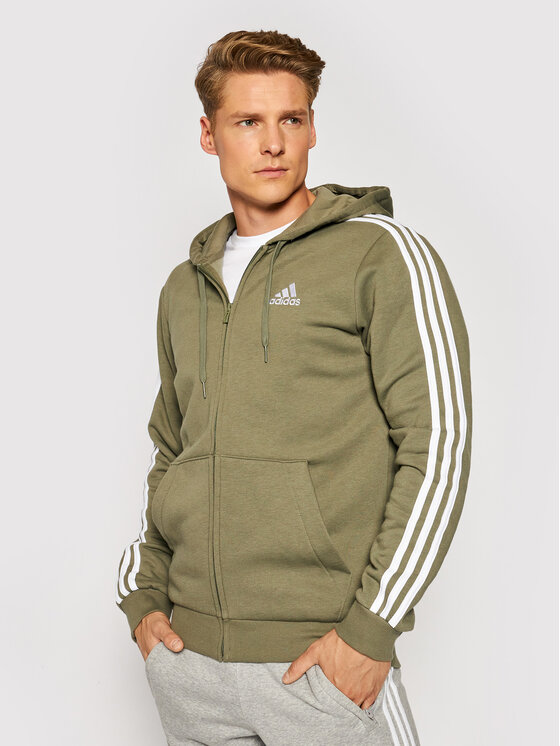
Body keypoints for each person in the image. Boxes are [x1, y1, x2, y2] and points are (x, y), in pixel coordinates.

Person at [116, 28, 472, 746]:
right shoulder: (184, 287)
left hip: (320, 667)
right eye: (248, 121)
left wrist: (369, 633)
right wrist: (143, 600)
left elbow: (439, 445)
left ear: (312, 127)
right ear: (210, 135)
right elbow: (171, 451)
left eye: (292, 118)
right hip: (189, 667)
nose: (273, 143)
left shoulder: (381, 255)